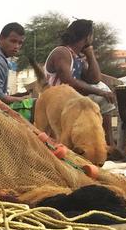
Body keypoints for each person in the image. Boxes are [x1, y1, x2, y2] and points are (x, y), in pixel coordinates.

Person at [45, 18, 117, 146]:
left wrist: (90, 54)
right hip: (57, 100)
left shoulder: (77, 57)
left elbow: (94, 79)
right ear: (88, 36)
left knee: (103, 88)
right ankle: (108, 144)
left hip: (73, 98)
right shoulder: (62, 52)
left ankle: (105, 145)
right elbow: (69, 81)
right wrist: (100, 92)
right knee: (104, 94)